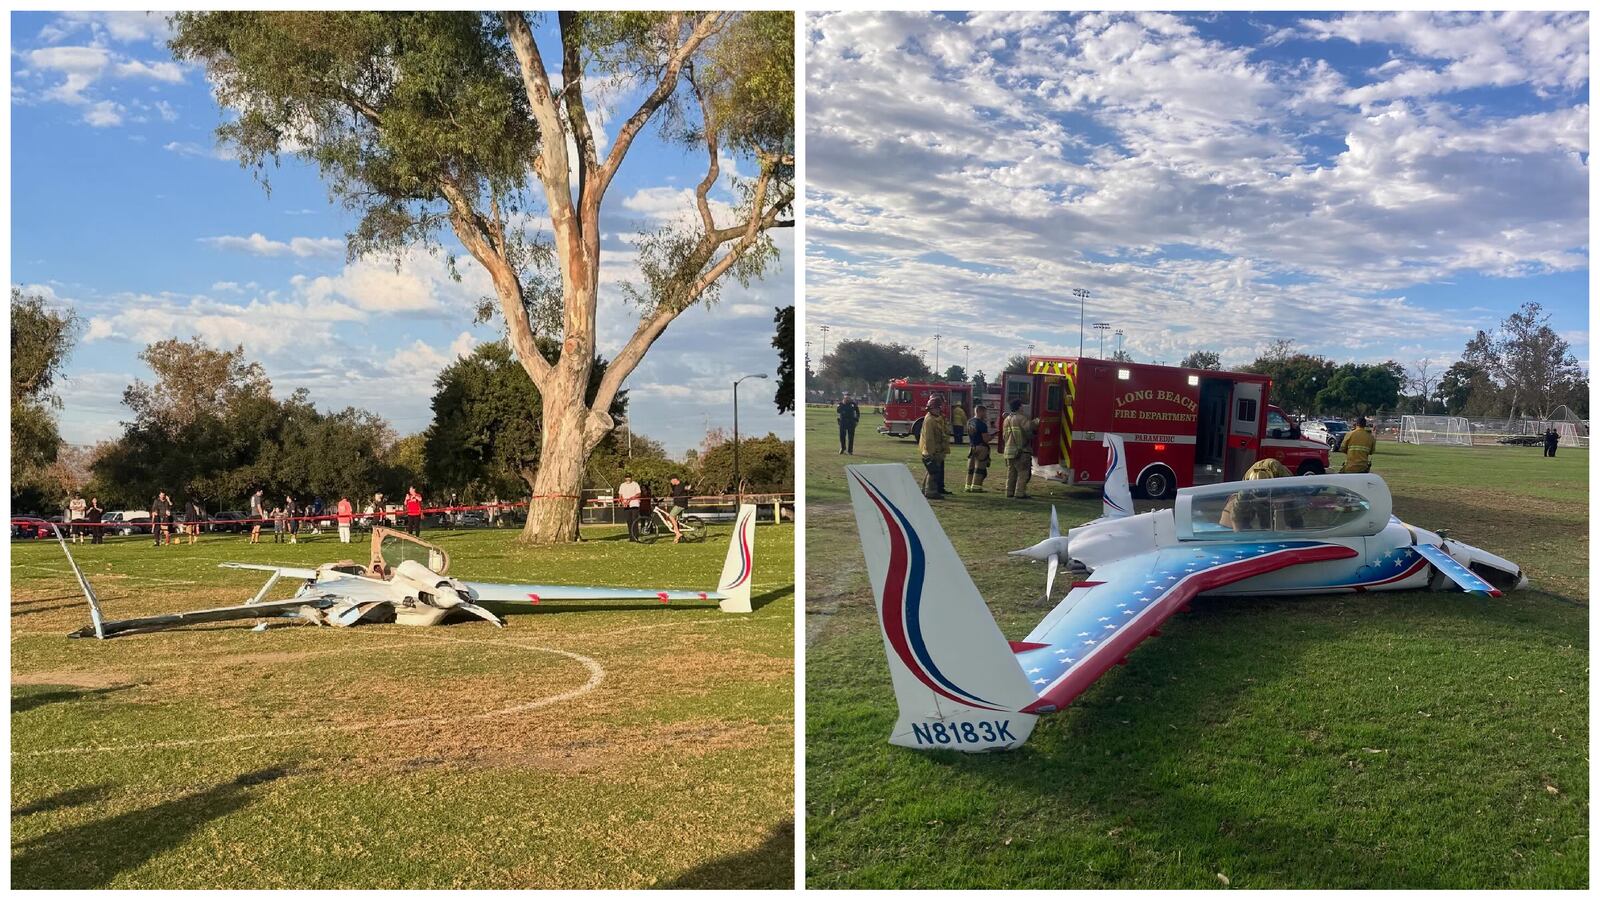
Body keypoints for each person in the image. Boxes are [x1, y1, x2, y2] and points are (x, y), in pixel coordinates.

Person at [1221, 457, 1294, 531]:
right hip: (1260, 497)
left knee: (1294, 513)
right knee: (1262, 513)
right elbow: (1237, 511)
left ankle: (1296, 526)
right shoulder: (1246, 485)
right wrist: (1238, 532)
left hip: (1281, 489)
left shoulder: (1278, 471)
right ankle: (1265, 531)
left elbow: (1295, 492)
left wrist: (1281, 500)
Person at [1002, 400, 1039, 499]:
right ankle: (1019, 493)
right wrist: (1036, 422)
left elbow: (1004, 436)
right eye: (1022, 406)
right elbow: (1029, 427)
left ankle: (1009, 492)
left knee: (1011, 473)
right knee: (1023, 473)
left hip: (1009, 452)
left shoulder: (1007, 420)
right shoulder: (1021, 418)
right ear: (1018, 407)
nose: (1023, 408)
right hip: (1021, 452)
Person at [917, 395, 951, 499]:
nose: (938, 410)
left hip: (937, 450)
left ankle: (925, 490)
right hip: (932, 451)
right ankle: (931, 492)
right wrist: (931, 453)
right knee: (933, 472)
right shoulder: (930, 420)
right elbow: (929, 438)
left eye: (939, 408)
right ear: (931, 408)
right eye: (937, 408)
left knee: (931, 471)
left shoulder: (937, 418)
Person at [964, 403, 991, 492]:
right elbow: (985, 439)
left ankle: (967, 486)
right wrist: (993, 436)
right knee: (979, 469)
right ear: (979, 412)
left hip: (972, 447)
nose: (985, 415)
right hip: (981, 447)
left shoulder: (969, 422)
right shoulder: (982, 424)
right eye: (984, 412)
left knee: (970, 469)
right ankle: (976, 487)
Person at [617, 474, 643, 541]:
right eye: (626, 477)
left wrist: (632, 498)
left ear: (631, 478)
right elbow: (620, 494)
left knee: (635, 521)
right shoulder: (622, 485)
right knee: (629, 521)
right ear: (625, 478)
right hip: (626, 505)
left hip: (634, 505)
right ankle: (631, 537)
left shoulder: (635, 484)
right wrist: (622, 501)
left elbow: (639, 494)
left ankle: (636, 536)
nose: (628, 479)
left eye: (629, 477)